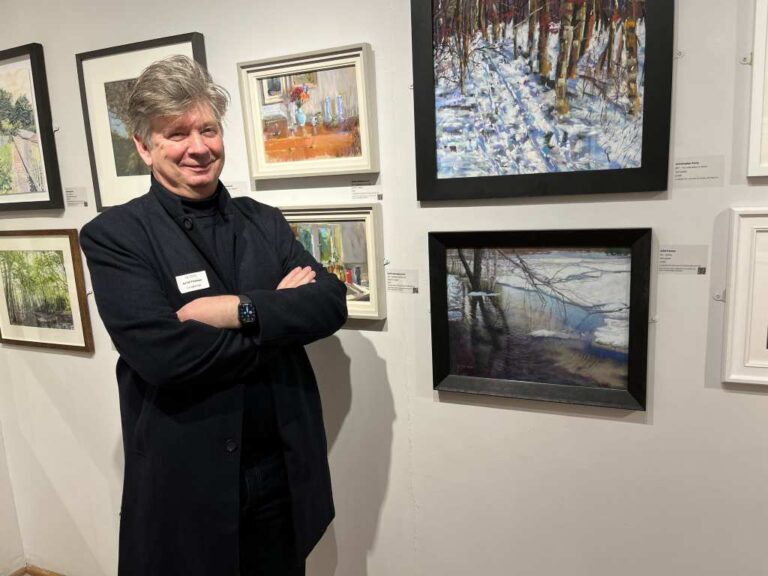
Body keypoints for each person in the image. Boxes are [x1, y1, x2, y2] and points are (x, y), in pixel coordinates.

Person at [80, 55, 347, 576]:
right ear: (143, 146)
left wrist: (236, 309)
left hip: (281, 470)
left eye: (208, 129)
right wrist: (279, 320)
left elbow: (330, 302)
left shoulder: (264, 222)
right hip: (187, 481)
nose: (198, 147)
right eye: (176, 133)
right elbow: (167, 359)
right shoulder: (115, 237)